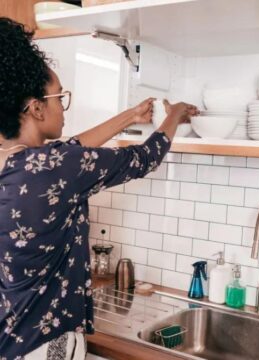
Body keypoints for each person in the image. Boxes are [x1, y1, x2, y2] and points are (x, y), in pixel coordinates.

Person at [0, 17, 198, 359]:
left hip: (11, 335)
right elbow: (144, 158)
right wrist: (174, 116)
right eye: (60, 97)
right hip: (45, 345)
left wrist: (129, 116)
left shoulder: (17, 161)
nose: (63, 106)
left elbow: (71, 152)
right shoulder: (55, 168)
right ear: (36, 108)